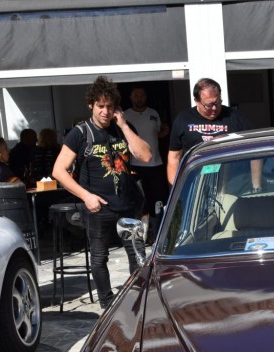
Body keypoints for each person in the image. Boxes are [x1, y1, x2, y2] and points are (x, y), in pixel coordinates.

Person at [53, 75, 152, 310]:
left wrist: (125, 125)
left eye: (109, 106)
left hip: (127, 204)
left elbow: (146, 156)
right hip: (97, 207)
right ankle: (107, 303)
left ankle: (136, 300)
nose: (105, 112)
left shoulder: (122, 129)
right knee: (99, 257)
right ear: (91, 105)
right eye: (100, 106)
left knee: (137, 254)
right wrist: (85, 196)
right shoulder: (80, 133)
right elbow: (59, 170)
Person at [167, 78, 256, 186]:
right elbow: (174, 157)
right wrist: (177, 187)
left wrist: (256, 185)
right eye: (208, 105)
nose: (214, 108)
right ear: (196, 101)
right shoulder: (183, 119)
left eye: (217, 103)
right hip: (196, 183)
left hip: (233, 182)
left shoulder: (236, 117)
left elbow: (254, 152)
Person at [124, 86, 167, 229]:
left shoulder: (153, 113)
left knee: (157, 201)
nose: (139, 98)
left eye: (142, 95)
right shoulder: (125, 116)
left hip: (156, 164)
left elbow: (159, 133)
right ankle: (140, 234)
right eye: (136, 95)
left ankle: (156, 234)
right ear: (130, 97)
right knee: (139, 202)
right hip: (135, 164)